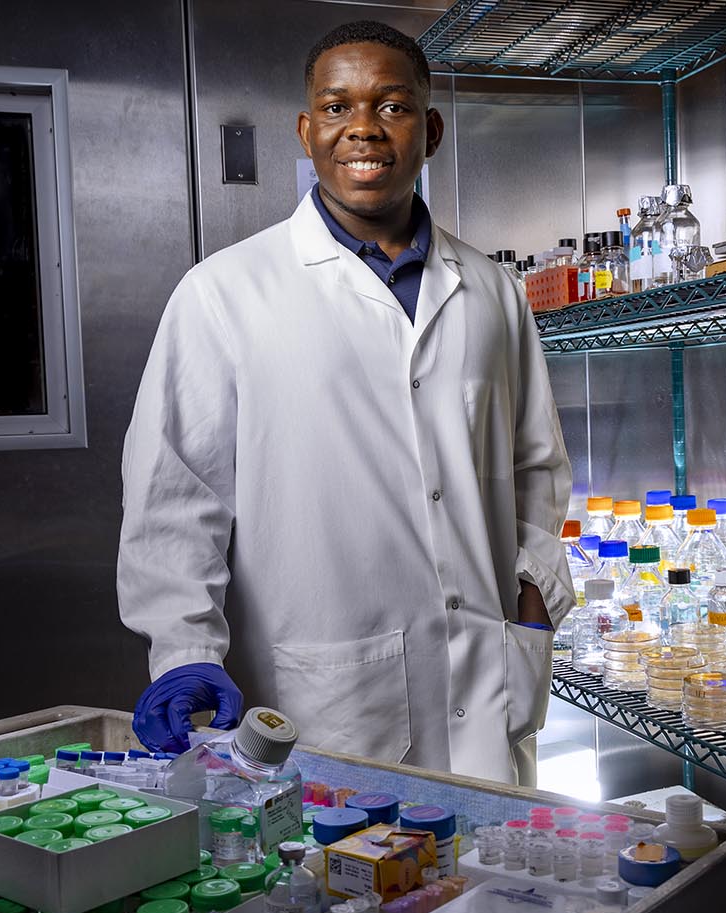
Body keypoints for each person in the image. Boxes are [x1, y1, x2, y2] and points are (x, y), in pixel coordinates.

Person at [117, 20, 572, 785]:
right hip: (324, 696)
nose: (363, 128)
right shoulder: (226, 292)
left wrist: (531, 590)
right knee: (343, 894)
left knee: (494, 887)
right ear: (307, 130)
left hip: (487, 695)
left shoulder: (492, 289)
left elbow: (537, 464)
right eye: (337, 108)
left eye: (391, 107)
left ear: (429, 131)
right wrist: (186, 651)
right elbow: (174, 498)